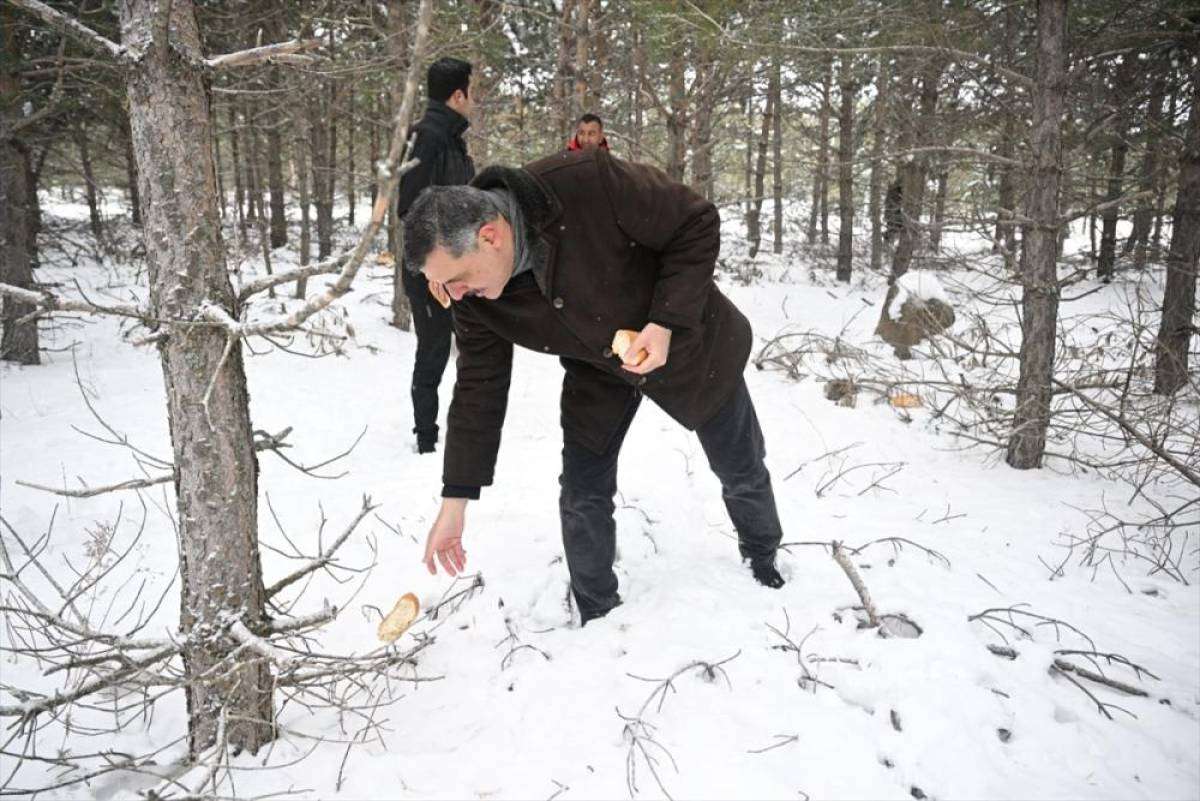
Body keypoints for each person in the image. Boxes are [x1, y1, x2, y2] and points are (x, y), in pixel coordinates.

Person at [402, 148, 788, 626]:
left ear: (491, 236)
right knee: (582, 490)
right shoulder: (474, 298)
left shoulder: (587, 183)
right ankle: (597, 611)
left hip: (686, 342)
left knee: (739, 464)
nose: (452, 296)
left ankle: (763, 555)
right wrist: (454, 501)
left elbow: (695, 222)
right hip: (596, 367)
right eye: (443, 285)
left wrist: (665, 322)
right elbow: (478, 388)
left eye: (456, 280)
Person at [396, 57, 476, 454]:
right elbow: (408, 207)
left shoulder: (453, 139)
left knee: (473, 344)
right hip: (429, 269)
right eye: (471, 92)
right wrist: (430, 268)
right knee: (433, 349)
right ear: (458, 94)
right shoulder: (426, 137)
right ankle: (425, 439)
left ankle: (466, 428)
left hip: (460, 267)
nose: (473, 101)